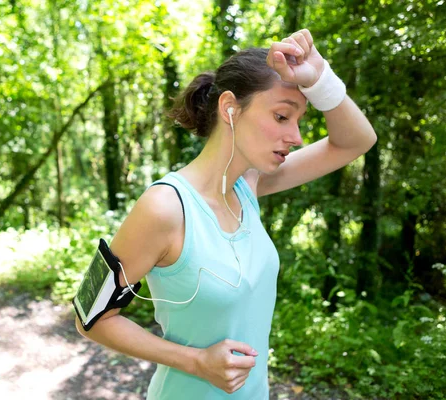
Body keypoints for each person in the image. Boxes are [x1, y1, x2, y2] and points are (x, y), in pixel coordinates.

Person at [75, 28, 377, 399]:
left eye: (298, 120)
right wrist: (195, 361)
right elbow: (90, 317)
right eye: (283, 117)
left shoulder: (247, 186)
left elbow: (356, 141)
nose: (296, 136)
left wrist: (320, 78)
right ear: (230, 108)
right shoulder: (165, 207)